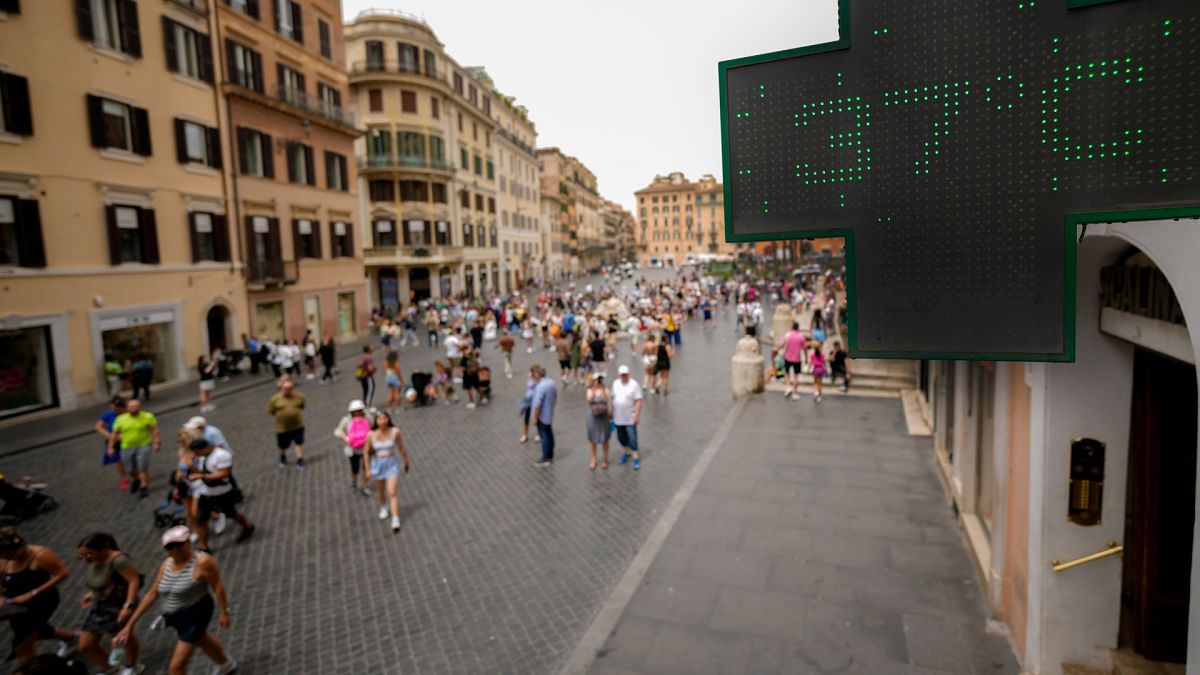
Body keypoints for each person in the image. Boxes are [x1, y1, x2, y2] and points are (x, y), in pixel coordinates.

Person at [117, 527, 237, 675]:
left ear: (187, 542)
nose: (174, 550)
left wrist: (225, 612)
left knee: (176, 668)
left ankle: (224, 663)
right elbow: (152, 593)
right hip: (176, 616)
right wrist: (130, 625)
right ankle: (225, 663)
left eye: (179, 544)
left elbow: (218, 586)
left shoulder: (203, 562)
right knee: (201, 638)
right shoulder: (166, 564)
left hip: (195, 614)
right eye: (169, 547)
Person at [0, 527, 74, 670]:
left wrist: (32, 593)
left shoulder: (41, 555)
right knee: (35, 631)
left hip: (40, 603)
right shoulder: (3, 558)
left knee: (23, 646)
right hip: (15, 607)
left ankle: (30, 670)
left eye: (12, 554)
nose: (10, 558)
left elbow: (62, 573)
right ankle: (71, 638)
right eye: (6, 556)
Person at [73, 533, 143, 675]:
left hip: (118, 605)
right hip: (101, 604)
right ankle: (110, 669)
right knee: (85, 645)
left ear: (102, 550)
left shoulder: (118, 560)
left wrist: (128, 606)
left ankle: (132, 666)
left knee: (124, 637)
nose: (85, 559)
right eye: (82, 555)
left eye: (88, 555)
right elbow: (103, 581)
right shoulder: (93, 559)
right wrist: (93, 593)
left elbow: (134, 581)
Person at [187, 438, 255, 551]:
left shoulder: (221, 455)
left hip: (221, 493)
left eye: (197, 452)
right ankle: (204, 547)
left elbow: (224, 474)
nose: (195, 455)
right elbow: (200, 472)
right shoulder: (202, 457)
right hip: (206, 492)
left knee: (231, 513)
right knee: (201, 519)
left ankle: (248, 526)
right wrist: (192, 467)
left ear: (204, 448)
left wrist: (201, 476)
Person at [362, 412, 410, 533]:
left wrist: (406, 460)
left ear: (388, 419)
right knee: (381, 491)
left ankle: (395, 518)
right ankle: (383, 506)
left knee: (392, 491)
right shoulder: (371, 435)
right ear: (376, 422)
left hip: (391, 463)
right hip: (377, 464)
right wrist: (367, 469)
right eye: (380, 419)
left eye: (384, 419)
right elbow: (366, 452)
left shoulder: (395, 432)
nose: (382, 422)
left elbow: (401, 447)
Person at [107, 399, 160, 499]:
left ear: (139, 407)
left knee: (142, 467)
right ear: (127, 408)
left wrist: (157, 442)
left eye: (136, 407)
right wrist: (110, 447)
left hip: (144, 445)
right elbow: (114, 434)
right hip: (126, 446)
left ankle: (144, 487)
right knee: (129, 469)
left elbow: (154, 430)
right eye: (131, 407)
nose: (133, 409)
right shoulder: (120, 419)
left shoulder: (148, 416)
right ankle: (137, 479)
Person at [333, 400, 373, 495]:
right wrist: (346, 438)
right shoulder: (346, 420)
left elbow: (372, 427)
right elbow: (338, 431)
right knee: (355, 468)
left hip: (366, 449)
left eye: (359, 410)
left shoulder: (368, 417)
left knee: (366, 468)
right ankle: (354, 482)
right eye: (355, 410)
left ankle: (365, 486)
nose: (357, 412)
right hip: (353, 450)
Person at [267, 380, 306, 470]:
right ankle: (283, 456)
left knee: (299, 443)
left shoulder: (299, 396)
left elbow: (302, 406)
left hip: (298, 425)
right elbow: (271, 411)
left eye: (290, 388)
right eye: (286, 389)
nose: (288, 390)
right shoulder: (275, 399)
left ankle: (300, 460)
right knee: (283, 445)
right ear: (281, 389)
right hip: (283, 428)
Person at [612, 365, 645, 470]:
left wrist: (637, 415)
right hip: (618, 417)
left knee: (632, 437)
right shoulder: (615, 384)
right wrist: (611, 412)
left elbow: (638, 400)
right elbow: (613, 398)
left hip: (630, 417)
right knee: (621, 437)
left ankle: (635, 456)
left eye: (625, 375)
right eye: (622, 375)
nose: (624, 377)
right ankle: (627, 452)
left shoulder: (634, 384)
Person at [95, 397, 130, 491]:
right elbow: (98, 426)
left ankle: (138, 475)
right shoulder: (109, 414)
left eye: (115, 408)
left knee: (131, 458)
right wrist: (109, 436)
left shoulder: (129, 413)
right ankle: (124, 478)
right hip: (114, 441)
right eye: (112, 408)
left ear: (122, 407)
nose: (113, 410)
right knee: (119, 461)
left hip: (128, 440)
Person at [529, 366, 558, 468]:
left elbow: (537, 405)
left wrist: (535, 418)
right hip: (549, 413)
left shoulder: (541, 386)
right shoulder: (551, 383)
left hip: (542, 416)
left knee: (544, 436)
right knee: (549, 434)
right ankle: (550, 454)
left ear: (538, 375)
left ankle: (546, 457)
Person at [585, 373, 612, 470]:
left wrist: (603, 388)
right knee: (592, 439)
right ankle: (593, 459)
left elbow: (606, 399)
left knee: (605, 439)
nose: (598, 381)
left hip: (603, 417)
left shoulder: (606, 390)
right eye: (596, 380)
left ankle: (605, 459)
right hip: (593, 417)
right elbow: (589, 400)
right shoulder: (589, 390)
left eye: (600, 380)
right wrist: (594, 389)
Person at [779, 322, 809, 400]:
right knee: (796, 376)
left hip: (787, 358)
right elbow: (805, 348)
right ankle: (794, 392)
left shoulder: (787, 335)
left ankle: (788, 386)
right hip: (797, 359)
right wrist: (806, 358)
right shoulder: (801, 336)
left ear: (792, 327)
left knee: (786, 373)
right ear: (798, 328)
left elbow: (781, 345)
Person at [518, 365, 540, 444]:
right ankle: (525, 434)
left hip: (537, 400)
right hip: (528, 399)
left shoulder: (540, 379)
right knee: (526, 417)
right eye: (534, 371)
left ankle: (538, 434)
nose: (535, 373)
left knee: (537, 417)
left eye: (536, 371)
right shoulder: (530, 377)